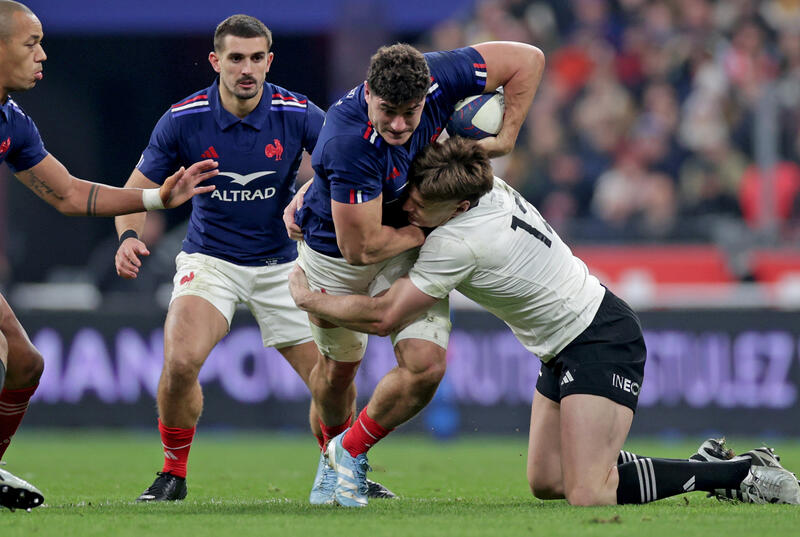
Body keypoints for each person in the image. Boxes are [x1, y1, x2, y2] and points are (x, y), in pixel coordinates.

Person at [288, 136, 800, 506]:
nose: (409, 211)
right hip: (561, 345)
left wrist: (311, 299)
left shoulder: (459, 241)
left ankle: (738, 473)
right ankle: (704, 464)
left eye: (422, 207)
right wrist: (309, 199)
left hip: (601, 337)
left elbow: (382, 317)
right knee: (548, 481)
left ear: (460, 206)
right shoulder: (478, 183)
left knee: (588, 493)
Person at [113, 14, 392, 503]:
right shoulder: (183, 118)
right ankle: (172, 474)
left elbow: (345, 164)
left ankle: (344, 469)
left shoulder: (298, 112)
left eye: (256, 58)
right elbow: (134, 192)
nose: (246, 68)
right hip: (211, 259)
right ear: (215, 61)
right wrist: (129, 237)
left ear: (269, 61)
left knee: (331, 381)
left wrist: (310, 194)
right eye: (236, 58)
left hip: (284, 265)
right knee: (180, 362)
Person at [284, 41, 544, 506]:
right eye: (388, 112)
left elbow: (529, 59)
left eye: (412, 111)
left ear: (428, 92)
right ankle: (330, 458)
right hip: (337, 256)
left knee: (426, 366)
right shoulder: (347, 141)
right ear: (367, 94)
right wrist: (425, 234)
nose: (400, 125)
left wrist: (507, 136)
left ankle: (346, 459)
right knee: (339, 374)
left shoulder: (443, 74)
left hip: (399, 238)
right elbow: (360, 248)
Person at [0, 0, 218, 512]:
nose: (43, 55)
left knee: (26, 364)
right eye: (31, 43)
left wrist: (155, 199)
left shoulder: (12, 121)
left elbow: (70, 195)